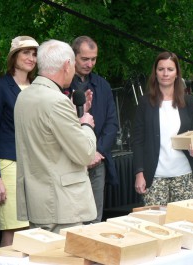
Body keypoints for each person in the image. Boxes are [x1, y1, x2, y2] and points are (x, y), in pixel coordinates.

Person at [14, 39, 98, 234]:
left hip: (37, 202)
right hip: (63, 206)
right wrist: (85, 124)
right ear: (67, 65)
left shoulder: (24, 96)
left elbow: (47, 140)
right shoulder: (56, 101)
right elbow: (85, 153)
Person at [132, 51, 193, 206]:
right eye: (161, 69)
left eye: (170, 69)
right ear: (155, 73)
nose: (165, 73)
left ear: (177, 73)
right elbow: (137, 141)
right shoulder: (145, 103)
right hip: (154, 178)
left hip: (184, 176)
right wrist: (139, 173)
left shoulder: (188, 102)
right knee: (156, 226)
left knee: (184, 224)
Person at [0, 36, 39, 246]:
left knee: (32, 231)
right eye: (26, 52)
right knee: (13, 231)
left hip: (36, 167)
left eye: (35, 54)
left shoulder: (39, 87)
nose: (31, 58)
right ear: (14, 56)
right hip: (8, 164)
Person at [67, 36, 119, 223]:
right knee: (71, 219)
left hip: (98, 160)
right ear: (73, 57)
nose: (90, 64)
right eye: (85, 59)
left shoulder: (102, 85)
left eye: (94, 59)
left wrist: (97, 152)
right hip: (70, 162)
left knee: (94, 218)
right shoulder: (62, 85)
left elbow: (112, 123)